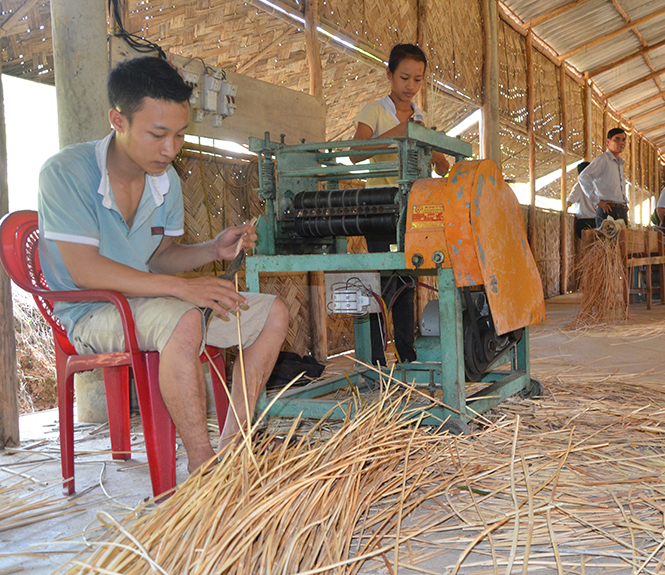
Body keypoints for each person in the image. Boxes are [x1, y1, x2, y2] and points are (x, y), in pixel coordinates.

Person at [37, 56, 289, 474]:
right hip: (91, 311)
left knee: (271, 313)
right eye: (157, 134)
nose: (170, 149)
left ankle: (231, 446)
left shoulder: (165, 181)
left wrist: (213, 249)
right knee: (185, 317)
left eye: (179, 135)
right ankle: (201, 464)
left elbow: (160, 258)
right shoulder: (66, 174)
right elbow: (84, 271)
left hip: (152, 303)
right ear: (118, 120)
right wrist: (182, 288)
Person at [351, 44, 448, 365]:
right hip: (380, 209)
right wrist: (404, 131)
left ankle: (407, 357)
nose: (410, 85)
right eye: (404, 77)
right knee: (381, 287)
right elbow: (356, 151)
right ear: (389, 74)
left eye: (418, 79)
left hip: (415, 212)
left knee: (407, 284)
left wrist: (439, 153)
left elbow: (438, 163)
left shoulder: (420, 117)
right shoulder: (374, 111)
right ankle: (377, 361)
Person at [578, 127, 628, 228]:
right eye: (616, 139)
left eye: (623, 140)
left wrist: (623, 202)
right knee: (607, 242)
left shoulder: (620, 163)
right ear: (608, 141)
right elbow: (583, 177)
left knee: (622, 243)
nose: (621, 142)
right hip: (608, 210)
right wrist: (598, 202)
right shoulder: (603, 159)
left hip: (620, 209)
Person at [566, 161, 595, 239]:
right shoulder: (597, 186)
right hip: (596, 222)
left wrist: (564, 213)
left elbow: (569, 202)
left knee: (586, 246)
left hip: (584, 223)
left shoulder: (579, 186)